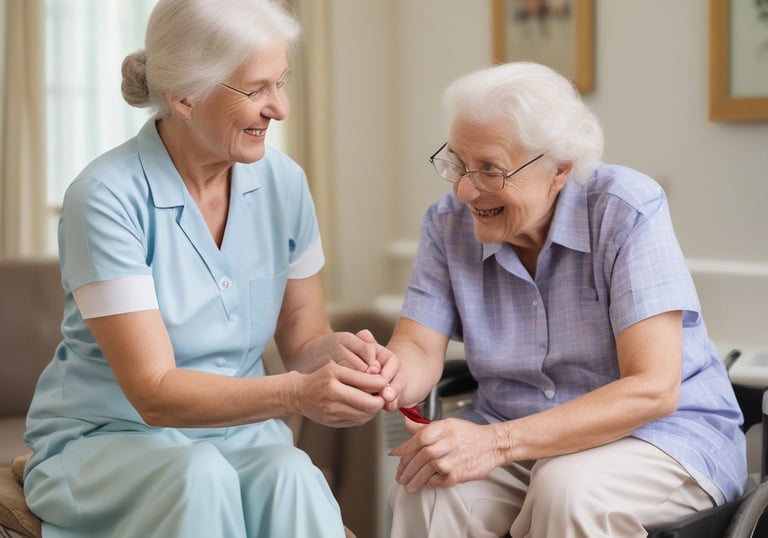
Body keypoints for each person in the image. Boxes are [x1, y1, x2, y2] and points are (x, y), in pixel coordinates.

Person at [23, 1, 396, 536]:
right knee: (199, 478)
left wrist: (340, 356)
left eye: (282, 82)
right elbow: (152, 391)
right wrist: (295, 393)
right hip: (108, 440)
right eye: (256, 89)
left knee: (291, 473)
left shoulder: (284, 185)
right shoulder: (105, 198)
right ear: (185, 97)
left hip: (239, 437)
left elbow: (304, 336)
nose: (281, 108)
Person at [384, 62, 747, 538]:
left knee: (568, 489)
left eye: (490, 169)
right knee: (429, 488)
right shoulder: (447, 222)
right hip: (518, 438)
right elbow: (415, 349)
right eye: (457, 162)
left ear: (559, 170)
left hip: (661, 439)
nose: (465, 189)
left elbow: (653, 388)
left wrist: (496, 442)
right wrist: (383, 374)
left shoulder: (626, 209)